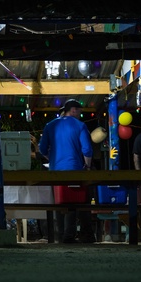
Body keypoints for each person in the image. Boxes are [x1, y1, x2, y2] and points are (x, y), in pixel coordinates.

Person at [38, 99, 95, 243]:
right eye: (80, 111)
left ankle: (60, 234)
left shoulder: (50, 125)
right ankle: (68, 236)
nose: (80, 115)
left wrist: (53, 159)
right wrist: (87, 167)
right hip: (74, 169)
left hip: (54, 171)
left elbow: (42, 149)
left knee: (58, 202)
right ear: (74, 110)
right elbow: (87, 150)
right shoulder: (80, 126)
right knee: (72, 201)